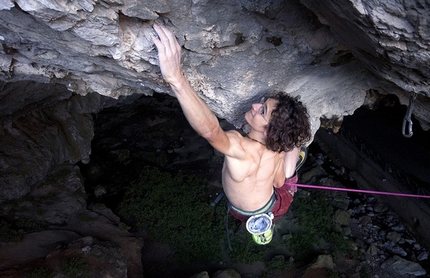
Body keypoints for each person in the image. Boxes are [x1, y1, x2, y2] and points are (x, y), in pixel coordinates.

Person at [152, 24, 311, 244]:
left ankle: (291, 166)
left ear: (269, 130)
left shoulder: (241, 148)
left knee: (287, 177)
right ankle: (294, 156)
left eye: (261, 110)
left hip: (247, 212)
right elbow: (277, 183)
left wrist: (176, 78)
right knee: (286, 174)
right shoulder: (276, 147)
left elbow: (210, 130)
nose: (255, 105)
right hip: (274, 203)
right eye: (263, 103)